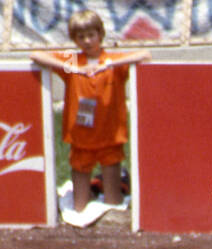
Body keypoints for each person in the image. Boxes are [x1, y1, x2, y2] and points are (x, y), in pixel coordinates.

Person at [30, 10, 150, 213]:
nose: (86, 41)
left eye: (91, 35)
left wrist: (110, 63)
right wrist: (72, 69)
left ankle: (111, 185)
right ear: (74, 39)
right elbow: (35, 55)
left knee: (114, 204)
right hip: (81, 137)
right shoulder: (73, 62)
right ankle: (92, 189)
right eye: (80, 37)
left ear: (100, 34)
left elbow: (145, 56)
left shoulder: (113, 62)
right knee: (79, 207)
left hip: (110, 136)